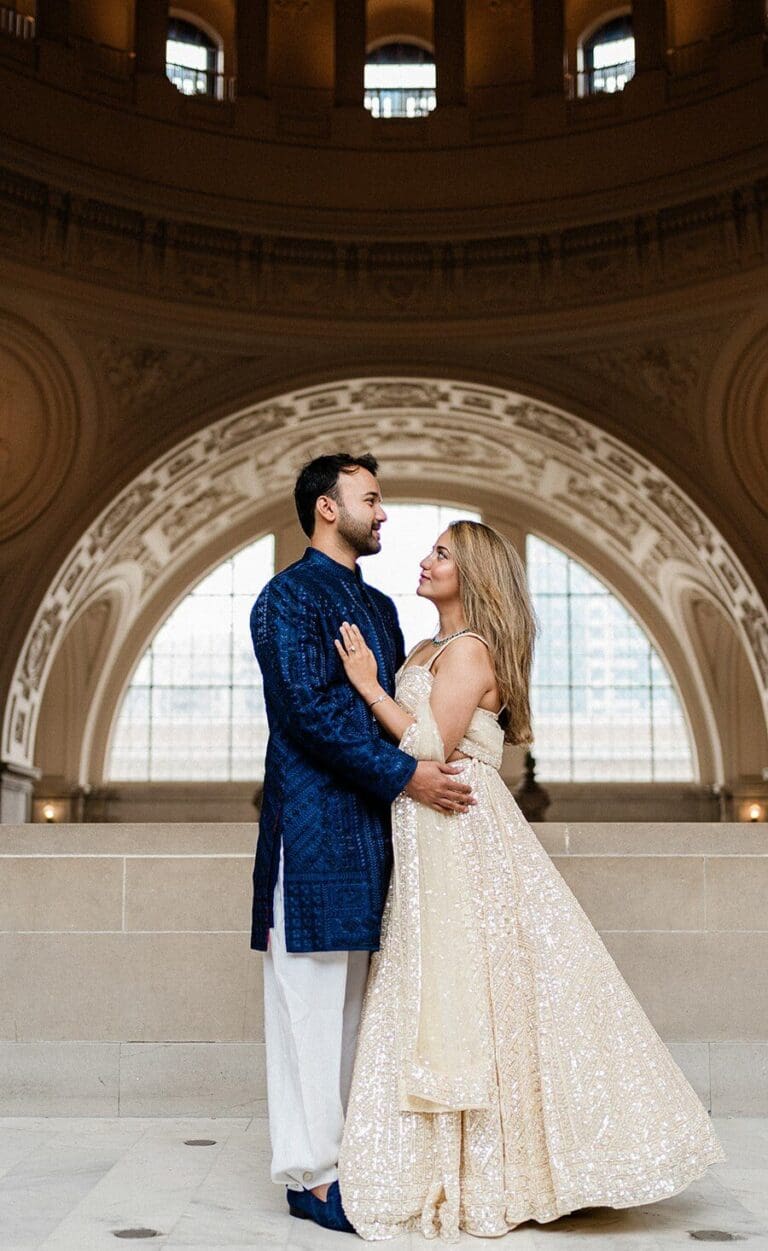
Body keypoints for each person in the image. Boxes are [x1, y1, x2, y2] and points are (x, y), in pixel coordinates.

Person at [335, 519, 727, 1241]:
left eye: (442, 553)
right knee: (445, 984)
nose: (425, 560)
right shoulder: (423, 647)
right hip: (423, 830)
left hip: (462, 832)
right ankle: (444, 1159)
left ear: (475, 575)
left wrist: (365, 684)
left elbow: (427, 744)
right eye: (429, 549)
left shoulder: (472, 649)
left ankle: (507, 1166)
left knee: (482, 989)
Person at [249, 453, 476, 1234]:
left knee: (357, 1015)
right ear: (325, 507)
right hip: (310, 834)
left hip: (376, 840)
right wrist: (407, 778)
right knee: (307, 1006)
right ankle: (310, 1177)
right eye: (370, 499)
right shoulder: (285, 597)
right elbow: (310, 714)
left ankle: (353, 1162)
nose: (383, 514)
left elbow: (396, 710)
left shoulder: (380, 607)